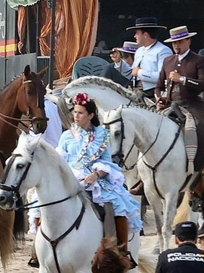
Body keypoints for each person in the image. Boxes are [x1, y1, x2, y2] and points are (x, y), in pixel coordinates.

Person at [57, 93, 141, 248]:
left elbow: (106, 162)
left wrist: (96, 175)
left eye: (80, 113)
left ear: (91, 115)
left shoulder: (101, 134)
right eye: (74, 112)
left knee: (115, 205)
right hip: (70, 178)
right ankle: (40, 249)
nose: (76, 116)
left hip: (96, 179)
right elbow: (60, 161)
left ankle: (120, 249)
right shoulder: (66, 136)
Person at [155, 25, 204, 171]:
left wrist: (182, 79)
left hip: (192, 104)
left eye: (180, 42)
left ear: (188, 41)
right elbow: (158, 86)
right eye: (174, 43)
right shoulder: (167, 61)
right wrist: (158, 99)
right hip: (170, 104)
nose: (176, 45)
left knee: (201, 127)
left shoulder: (199, 60)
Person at [127, 17, 171, 93]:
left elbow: (163, 76)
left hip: (154, 93)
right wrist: (118, 63)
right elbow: (132, 72)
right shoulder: (139, 51)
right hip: (136, 91)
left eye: (137, 33)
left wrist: (140, 73)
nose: (135, 36)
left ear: (145, 35)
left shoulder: (163, 50)